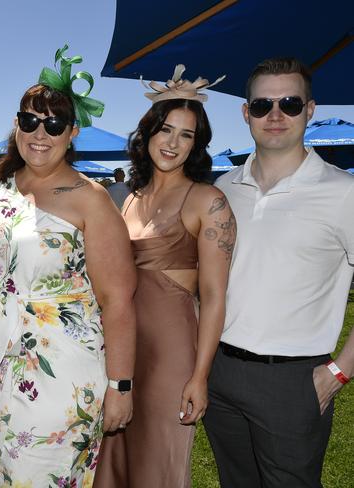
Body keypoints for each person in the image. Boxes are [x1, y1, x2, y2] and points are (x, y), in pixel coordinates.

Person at [0, 45, 137, 487]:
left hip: (56, 373)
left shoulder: (90, 199)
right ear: (16, 125)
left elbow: (118, 300)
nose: (40, 132)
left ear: (72, 132)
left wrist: (120, 387)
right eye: (29, 120)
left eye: (54, 123)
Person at [204, 57, 354, 487]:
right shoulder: (222, 189)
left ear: (309, 110)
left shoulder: (343, 192)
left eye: (289, 103)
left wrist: (338, 372)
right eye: (262, 104)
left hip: (294, 380)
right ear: (245, 112)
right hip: (221, 370)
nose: (275, 115)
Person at [93, 65, 235, 488]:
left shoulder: (208, 201)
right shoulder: (131, 197)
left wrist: (199, 377)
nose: (173, 143)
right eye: (166, 129)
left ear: (196, 145)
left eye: (186, 135)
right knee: (118, 461)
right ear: (148, 132)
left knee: (157, 464)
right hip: (122, 347)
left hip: (170, 353)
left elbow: (214, 296)